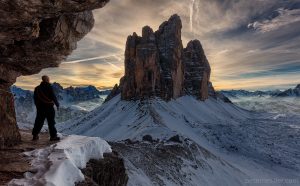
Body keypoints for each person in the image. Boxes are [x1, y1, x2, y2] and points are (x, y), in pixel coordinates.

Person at [32, 75, 60, 141]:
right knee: (51, 122)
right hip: (49, 107)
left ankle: (35, 135)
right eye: (48, 79)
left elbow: (35, 99)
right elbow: (53, 97)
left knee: (38, 122)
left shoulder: (37, 88)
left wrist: (38, 107)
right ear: (47, 80)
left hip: (40, 108)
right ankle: (53, 136)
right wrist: (57, 105)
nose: (49, 80)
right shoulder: (49, 87)